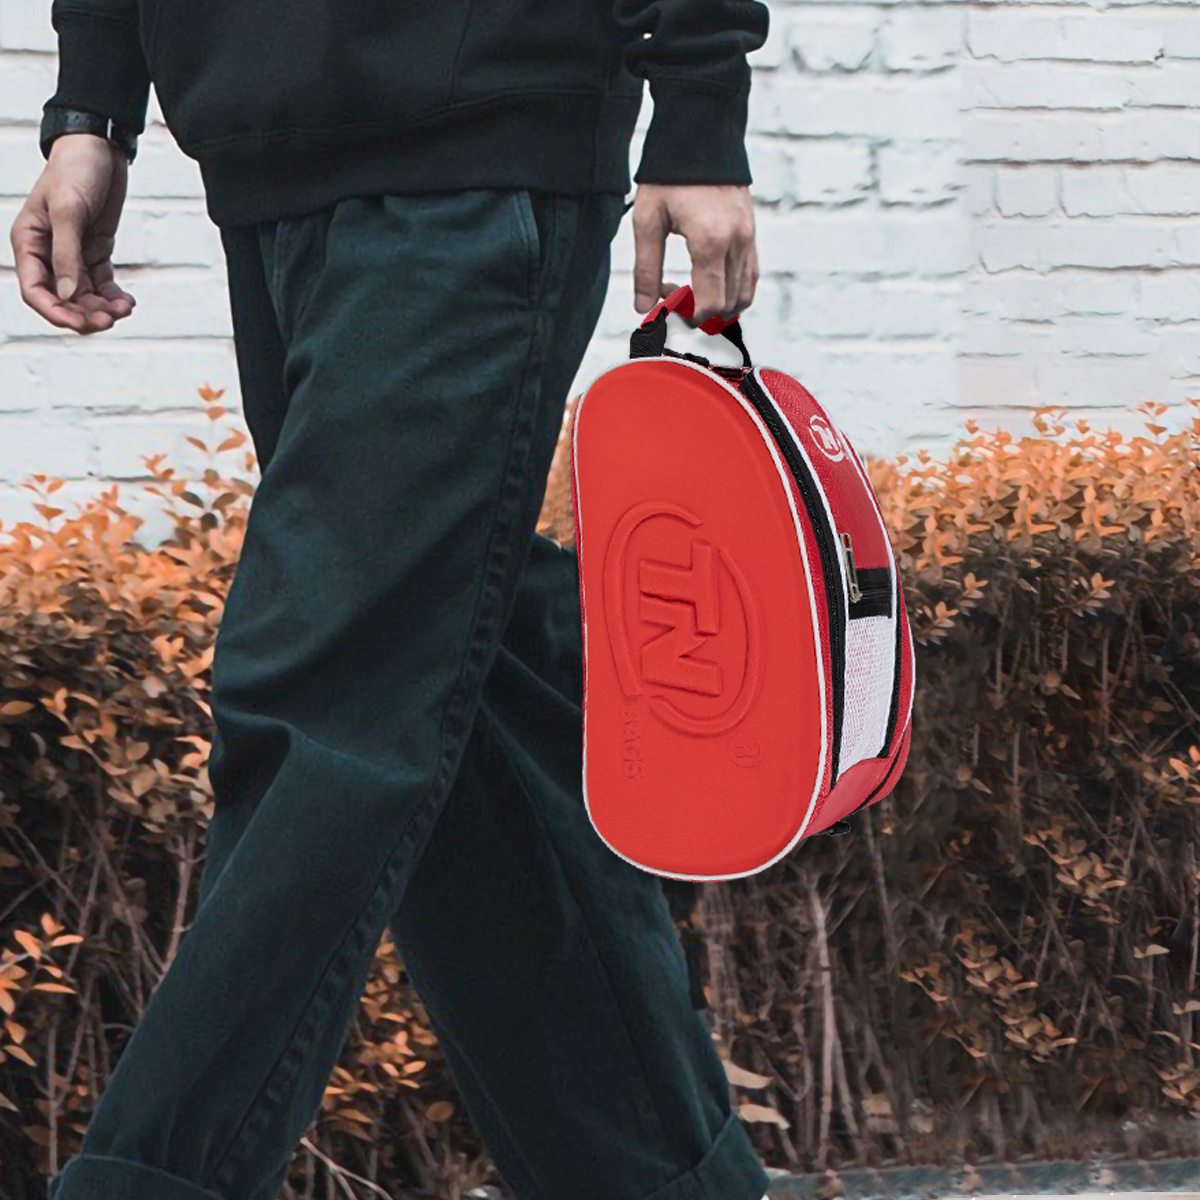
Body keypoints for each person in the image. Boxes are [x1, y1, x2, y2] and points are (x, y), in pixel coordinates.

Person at [11, 0, 771, 1197]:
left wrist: (699, 109)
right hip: (266, 165)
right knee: (468, 721)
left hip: (479, 145)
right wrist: (91, 109)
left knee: (323, 702)